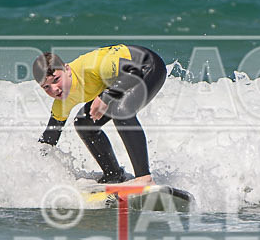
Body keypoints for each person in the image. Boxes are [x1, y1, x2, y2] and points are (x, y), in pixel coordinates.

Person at [34, 44, 167, 185]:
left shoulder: (91, 66)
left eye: (56, 79)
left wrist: (107, 95)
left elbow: (135, 71)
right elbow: (48, 141)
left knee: (120, 111)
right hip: (119, 80)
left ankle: (144, 177)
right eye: (46, 87)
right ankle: (114, 175)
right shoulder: (61, 103)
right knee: (84, 123)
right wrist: (32, 168)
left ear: (67, 69)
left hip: (148, 67)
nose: (55, 89)